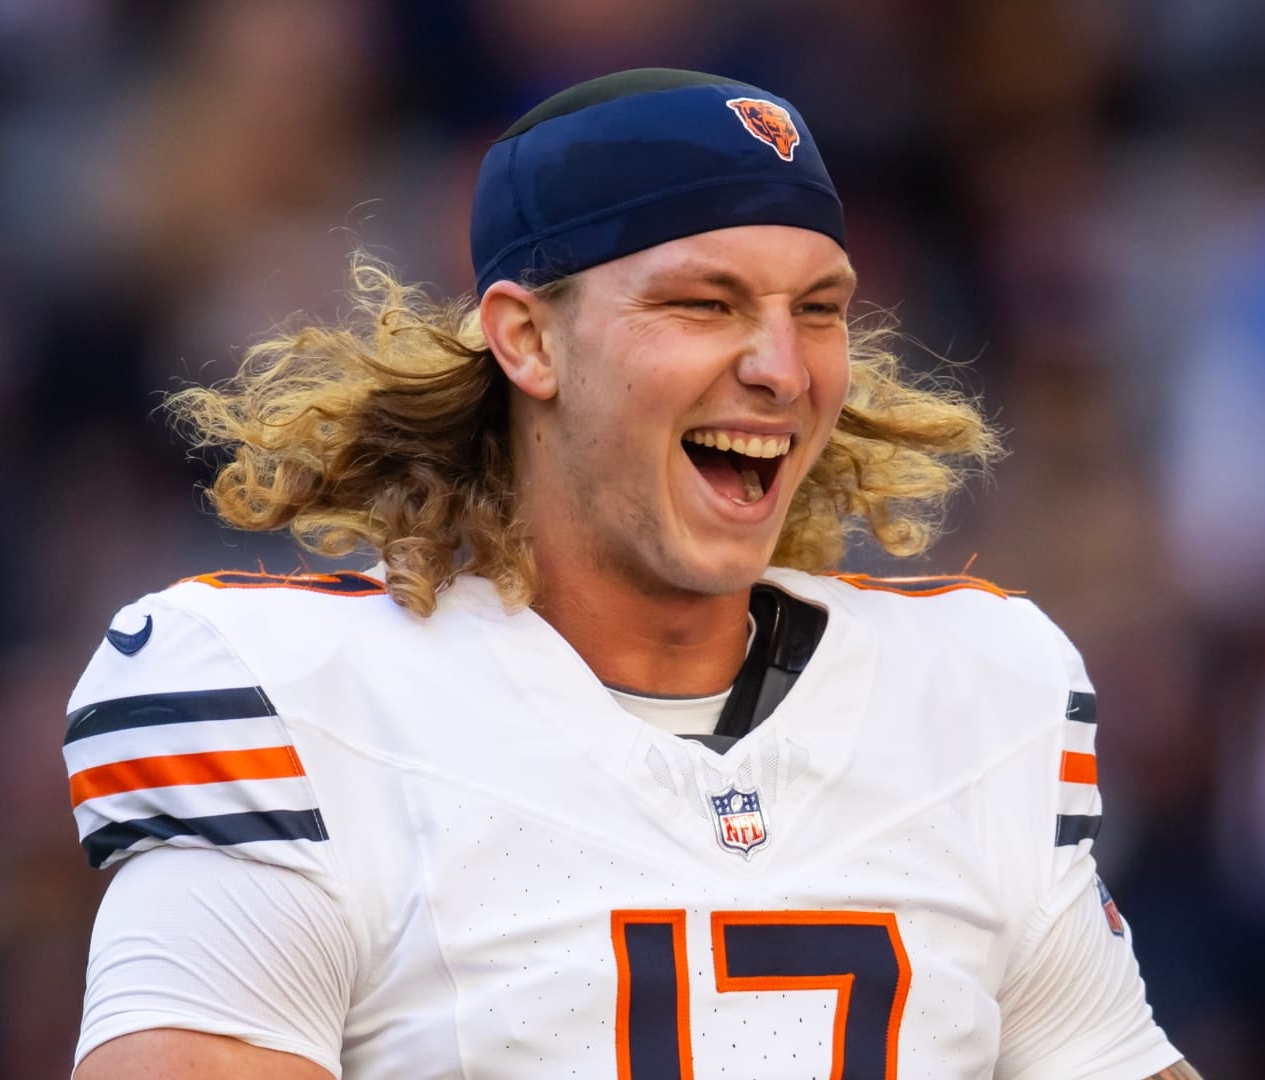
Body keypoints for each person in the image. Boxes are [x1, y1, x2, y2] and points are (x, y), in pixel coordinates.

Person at [63, 68, 1199, 1079]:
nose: (781, 367)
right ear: (528, 340)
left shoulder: (979, 695)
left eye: (820, 310)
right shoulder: (294, 703)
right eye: (703, 303)